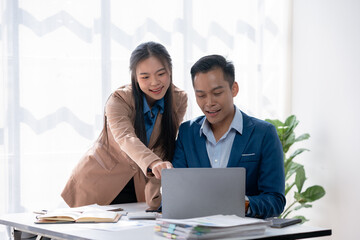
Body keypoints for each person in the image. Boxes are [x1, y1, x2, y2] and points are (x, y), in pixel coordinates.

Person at [61, 42, 187, 209]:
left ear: (170, 71)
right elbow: (126, 138)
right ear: (134, 77)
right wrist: (154, 163)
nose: (155, 82)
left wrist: (155, 196)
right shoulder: (119, 99)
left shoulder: (178, 99)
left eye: (161, 74)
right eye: (145, 77)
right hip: (98, 180)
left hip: (138, 187)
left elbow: (163, 147)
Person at [171, 55, 285, 219]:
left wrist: (239, 204)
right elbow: (178, 193)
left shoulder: (264, 133)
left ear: (234, 89)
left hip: (244, 234)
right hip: (198, 232)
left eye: (217, 93)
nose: (209, 103)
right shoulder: (187, 133)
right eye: (201, 95)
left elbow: (275, 200)